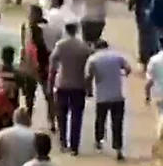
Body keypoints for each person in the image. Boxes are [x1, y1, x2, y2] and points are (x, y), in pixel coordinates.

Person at [49, 22, 92, 154]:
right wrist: (89, 87)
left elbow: (52, 61)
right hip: (79, 85)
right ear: (77, 30)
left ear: (66, 30)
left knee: (61, 115)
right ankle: (74, 146)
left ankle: (63, 142)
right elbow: (89, 68)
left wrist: (51, 79)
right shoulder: (84, 47)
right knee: (76, 116)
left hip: (62, 84)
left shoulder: (60, 45)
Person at [86, 39, 130, 159]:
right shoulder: (117, 56)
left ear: (96, 47)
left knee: (100, 120)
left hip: (102, 97)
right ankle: (118, 149)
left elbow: (88, 77)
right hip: (117, 96)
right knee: (117, 124)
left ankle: (99, 142)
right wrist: (123, 75)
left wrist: (89, 91)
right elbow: (128, 68)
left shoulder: (93, 59)